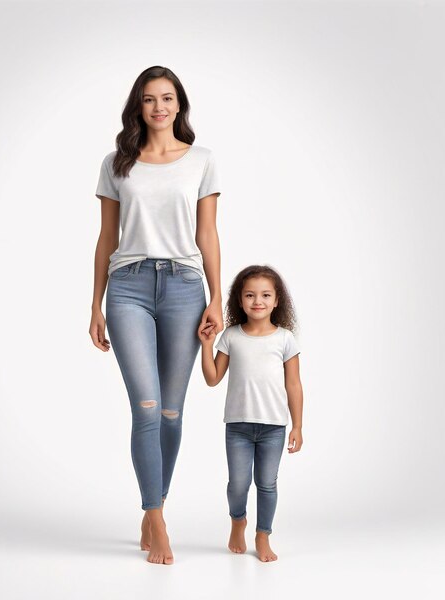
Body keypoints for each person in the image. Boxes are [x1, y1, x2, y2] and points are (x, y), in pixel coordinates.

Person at [89, 66, 223, 565]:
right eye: (149, 100)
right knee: (145, 407)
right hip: (128, 288)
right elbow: (106, 238)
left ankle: (153, 507)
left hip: (186, 288)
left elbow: (207, 234)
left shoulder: (202, 161)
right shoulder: (117, 163)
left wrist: (216, 297)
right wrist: (95, 303)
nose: (159, 108)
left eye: (167, 99)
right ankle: (158, 518)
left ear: (179, 105)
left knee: (171, 411)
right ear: (138, 107)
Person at [198, 264, 304, 562]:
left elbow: (294, 385)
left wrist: (297, 426)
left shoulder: (284, 339)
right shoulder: (231, 336)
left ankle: (263, 534)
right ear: (239, 300)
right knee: (238, 483)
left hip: (273, 427)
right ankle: (238, 521)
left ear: (276, 300)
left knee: (267, 484)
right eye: (250, 295)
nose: (257, 301)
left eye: (265, 295)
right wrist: (207, 345)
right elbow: (212, 378)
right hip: (238, 427)